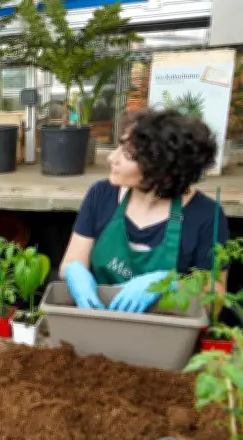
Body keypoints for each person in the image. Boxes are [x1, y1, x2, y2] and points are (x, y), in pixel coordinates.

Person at [60, 109, 230, 313]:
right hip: (101, 317)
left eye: (128, 155)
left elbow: (216, 299)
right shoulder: (101, 195)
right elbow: (71, 261)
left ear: (163, 169)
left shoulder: (206, 215)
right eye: (119, 147)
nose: (112, 158)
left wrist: (170, 283)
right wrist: (74, 271)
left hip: (167, 330)